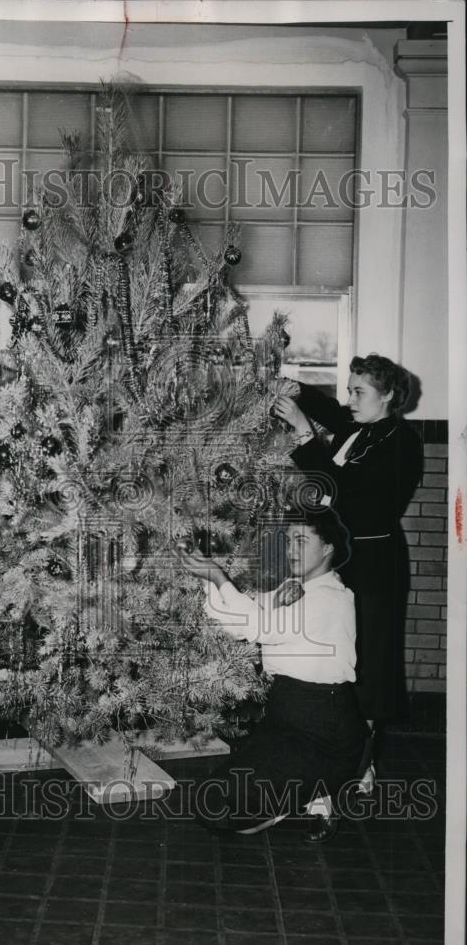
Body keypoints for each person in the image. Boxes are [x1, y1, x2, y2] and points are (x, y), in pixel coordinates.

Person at [272, 354, 423, 792]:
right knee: (340, 658)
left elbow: (343, 493)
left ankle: (362, 764)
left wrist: (302, 430)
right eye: (350, 388)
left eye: (359, 392)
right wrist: (279, 380)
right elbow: (328, 409)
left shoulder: (401, 442)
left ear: (389, 395)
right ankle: (344, 757)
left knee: (370, 667)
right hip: (351, 560)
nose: (350, 399)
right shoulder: (363, 428)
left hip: (375, 568)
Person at [177, 509, 367, 843]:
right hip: (284, 721)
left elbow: (258, 626)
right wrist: (208, 578)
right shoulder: (293, 589)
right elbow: (237, 623)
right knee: (211, 802)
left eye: (302, 540)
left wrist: (220, 577)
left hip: (324, 730)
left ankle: (335, 781)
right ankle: (308, 794)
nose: (291, 549)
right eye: (289, 540)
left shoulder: (332, 599)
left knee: (231, 808)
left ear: (328, 548)